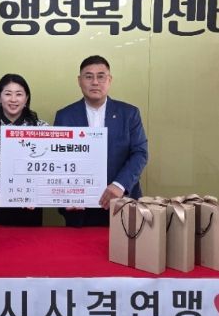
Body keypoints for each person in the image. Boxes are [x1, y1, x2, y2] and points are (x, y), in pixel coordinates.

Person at [54, 55, 148, 227]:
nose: (95, 82)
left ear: (109, 80)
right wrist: (67, 195)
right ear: (79, 81)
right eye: (89, 77)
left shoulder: (129, 114)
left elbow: (140, 153)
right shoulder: (64, 116)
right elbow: (58, 159)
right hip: (79, 208)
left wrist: (120, 185)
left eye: (101, 76)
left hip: (121, 202)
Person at [0, 74, 48, 226]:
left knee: (29, 241)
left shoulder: (40, 127)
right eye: (8, 94)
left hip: (28, 200)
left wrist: (37, 194)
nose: (13, 99)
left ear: (26, 98)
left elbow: (47, 170)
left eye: (19, 94)